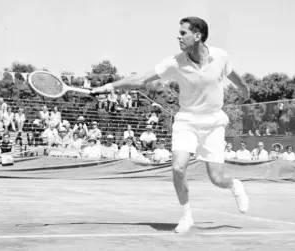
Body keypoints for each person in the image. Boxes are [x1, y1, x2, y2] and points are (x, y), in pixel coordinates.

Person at [91, 16, 249, 233]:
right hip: (186, 120)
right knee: (178, 167)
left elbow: (233, 75)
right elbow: (141, 79)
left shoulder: (221, 57)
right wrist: (109, 86)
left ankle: (235, 186)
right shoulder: (175, 62)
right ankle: (186, 216)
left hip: (213, 122)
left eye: (183, 33)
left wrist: (244, 89)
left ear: (197, 35)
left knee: (217, 178)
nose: (179, 37)